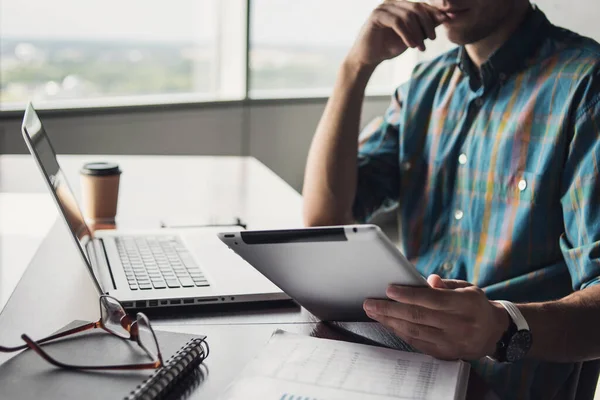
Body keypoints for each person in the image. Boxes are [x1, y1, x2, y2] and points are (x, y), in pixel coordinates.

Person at [302, 0, 600, 398]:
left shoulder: (586, 87)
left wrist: (502, 327)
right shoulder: (426, 86)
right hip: (399, 373)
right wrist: (356, 66)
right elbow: (324, 220)